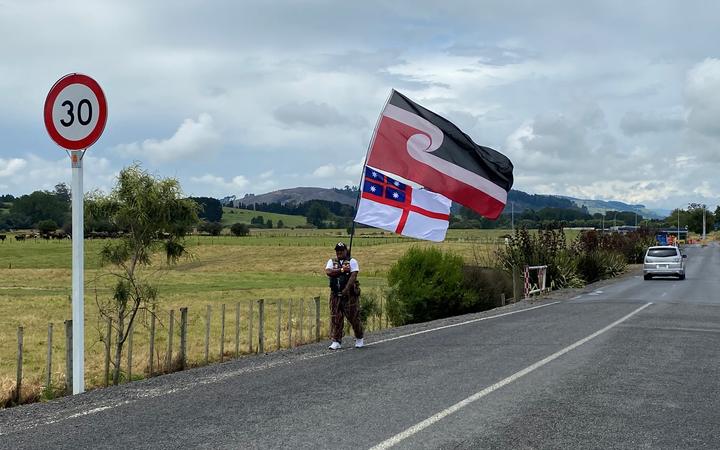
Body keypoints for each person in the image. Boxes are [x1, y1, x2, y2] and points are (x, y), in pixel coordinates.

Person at [325, 241, 364, 349]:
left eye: (341, 250)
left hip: (349, 295)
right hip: (335, 294)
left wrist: (346, 289)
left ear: (346, 251)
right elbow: (328, 272)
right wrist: (342, 270)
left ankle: (359, 337)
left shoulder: (352, 261)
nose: (339, 253)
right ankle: (336, 340)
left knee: (353, 317)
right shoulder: (331, 261)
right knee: (336, 317)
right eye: (337, 251)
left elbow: (353, 276)